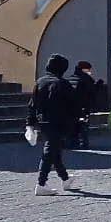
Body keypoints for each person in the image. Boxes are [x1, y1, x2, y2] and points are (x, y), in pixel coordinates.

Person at [28, 54, 83, 195]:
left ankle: (65, 179)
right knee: (50, 151)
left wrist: (30, 124)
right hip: (58, 122)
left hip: (43, 122)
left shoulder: (40, 82)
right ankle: (41, 183)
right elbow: (74, 105)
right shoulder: (62, 84)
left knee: (55, 151)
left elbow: (32, 105)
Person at [69, 60, 102, 149]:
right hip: (83, 107)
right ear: (84, 69)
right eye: (88, 69)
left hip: (72, 107)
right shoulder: (86, 79)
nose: (89, 71)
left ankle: (72, 141)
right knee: (83, 124)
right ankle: (83, 143)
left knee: (74, 124)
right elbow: (92, 91)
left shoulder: (71, 77)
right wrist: (99, 85)